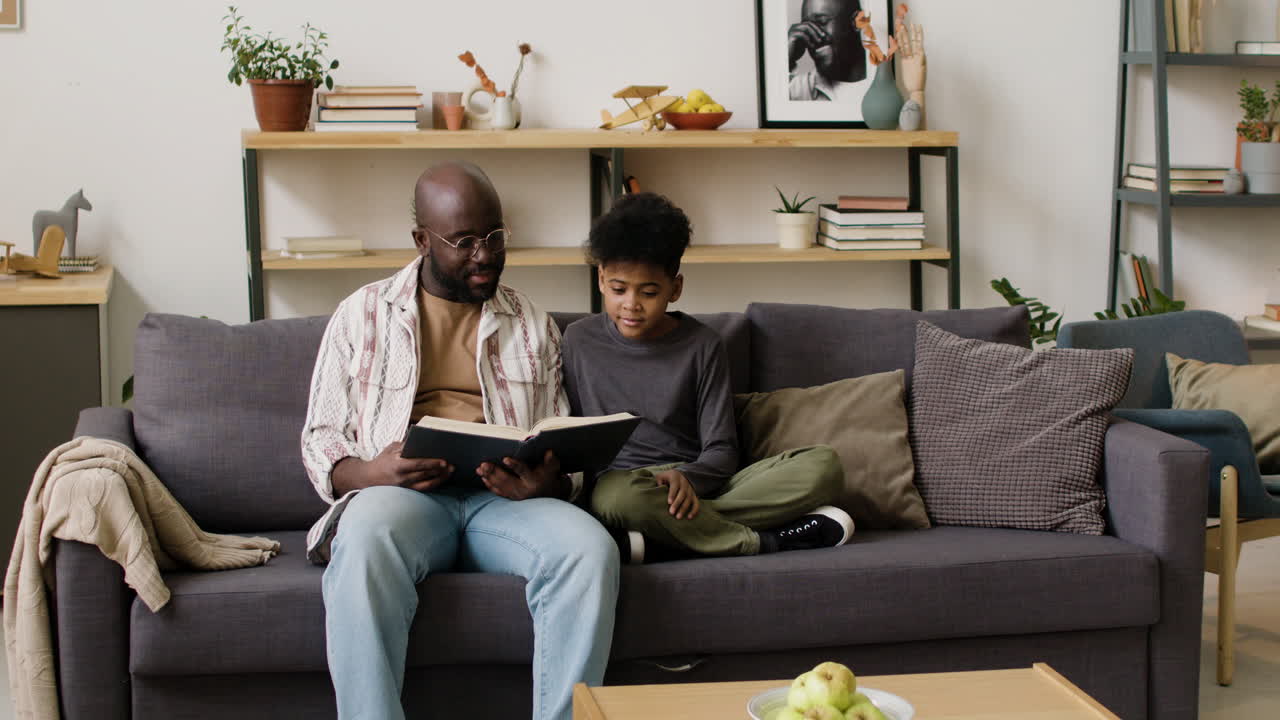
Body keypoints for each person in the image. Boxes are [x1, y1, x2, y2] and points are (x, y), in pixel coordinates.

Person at [300, 162, 619, 720]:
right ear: (422, 240)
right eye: (465, 240)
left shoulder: (532, 322)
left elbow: (557, 432)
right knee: (366, 537)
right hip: (404, 501)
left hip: (504, 506)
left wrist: (551, 480)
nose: (485, 254)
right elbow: (319, 437)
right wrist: (369, 472)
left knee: (590, 550)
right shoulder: (363, 314)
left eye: (495, 236)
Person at [562, 192, 854, 564]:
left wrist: (690, 477)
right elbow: (571, 439)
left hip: (699, 487)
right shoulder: (578, 340)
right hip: (627, 487)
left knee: (824, 465)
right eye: (619, 289)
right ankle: (763, 542)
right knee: (617, 498)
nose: (631, 304)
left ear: (675, 288)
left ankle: (661, 540)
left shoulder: (702, 344)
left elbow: (721, 449)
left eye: (649, 292)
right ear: (601, 279)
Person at [788, 0, 867, 102]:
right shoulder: (799, 91)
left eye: (822, 22)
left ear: (857, 22)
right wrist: (787, 59)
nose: (812, 34)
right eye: (807, 27)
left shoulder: (884, 83)